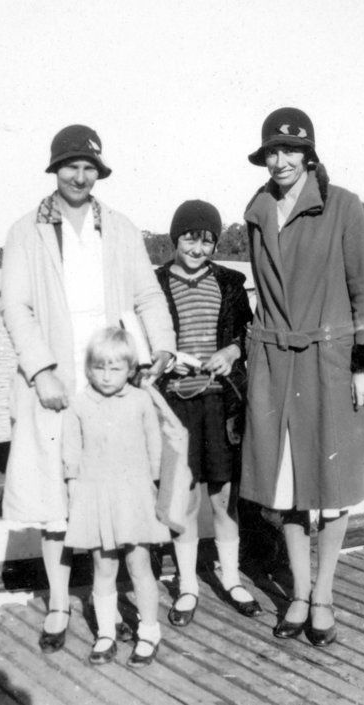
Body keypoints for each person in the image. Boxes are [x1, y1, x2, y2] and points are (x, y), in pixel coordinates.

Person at [0, 124, 176, 654]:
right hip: (56, 380)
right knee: (56, 497)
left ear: (99, 173)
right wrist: (42, 370)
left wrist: (161, 347)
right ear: (54, 170)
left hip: (113, 379)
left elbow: (146, 294)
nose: (79, 175)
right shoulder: (25, 231)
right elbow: (16, 308)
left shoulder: (118, 227)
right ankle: (58, 604)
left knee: (117, 488)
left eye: (88, 167)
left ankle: (116, 602)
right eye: (70, 165)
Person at [240, 108, 364, 647]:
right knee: (284, 489)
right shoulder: (257, 210)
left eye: (290, 150)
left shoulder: (343, 206)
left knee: (331, 488)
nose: (280, 161)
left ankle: (324, 595)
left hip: (329, 364)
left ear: (309, 154)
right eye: (271, 151)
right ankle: (299, 593)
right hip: (274, 365)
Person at [153, 199, 262, 627]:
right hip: (176, 404)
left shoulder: (231, 283)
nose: (198, 248)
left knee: (224, 497)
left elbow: (249, 335)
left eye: (207, 240)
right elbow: (142, 340)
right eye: (189, 238)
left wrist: (232, 351)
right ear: (174, 238)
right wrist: (164, 359)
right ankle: (187, 585)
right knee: (185, 496)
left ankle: (231, 577)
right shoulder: (155, 283)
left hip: (222, 400)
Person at [63, 327, 171, 668]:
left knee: (139, 565)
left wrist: (156, 491)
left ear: (129, 369)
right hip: (96, 497)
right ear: (88, 368)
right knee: (103, 566)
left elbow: (155, 448)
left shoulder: (141, 401)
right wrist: (72, 486)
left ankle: (149, 630)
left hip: (134, 496)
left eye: (115, 368)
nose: (106, 376)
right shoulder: (79, 403)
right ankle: (106, 632)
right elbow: (71, 450)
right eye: (99, 367)